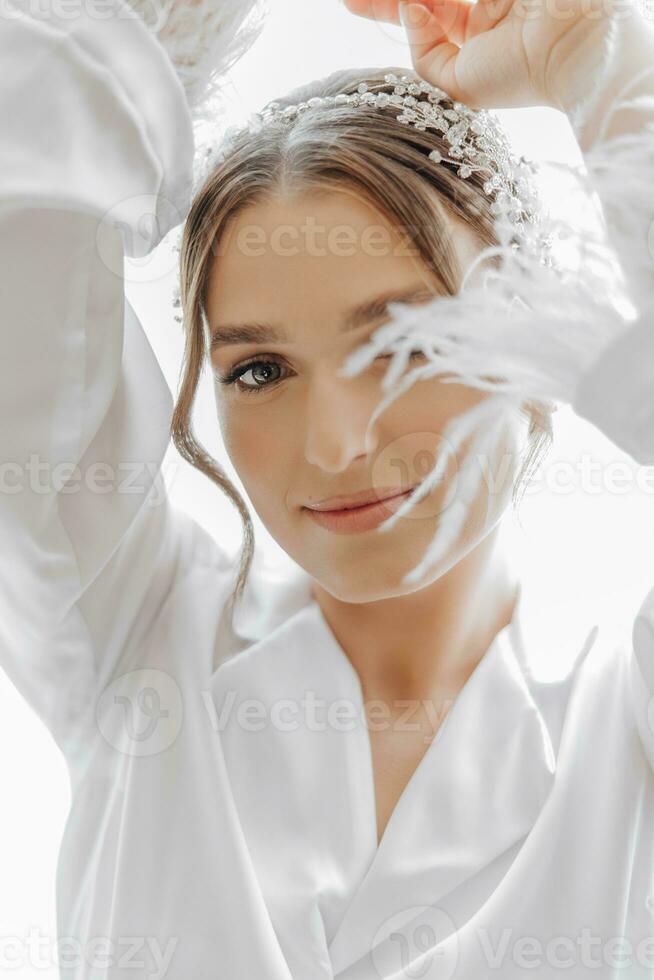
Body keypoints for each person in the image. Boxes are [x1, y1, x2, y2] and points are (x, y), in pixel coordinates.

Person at [1, 0, 653, 977]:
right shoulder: (134, 640)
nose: (339, 444)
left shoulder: (628, 725)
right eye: (260, 370)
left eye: (403, 344)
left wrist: (597, 60)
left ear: (538, 324)